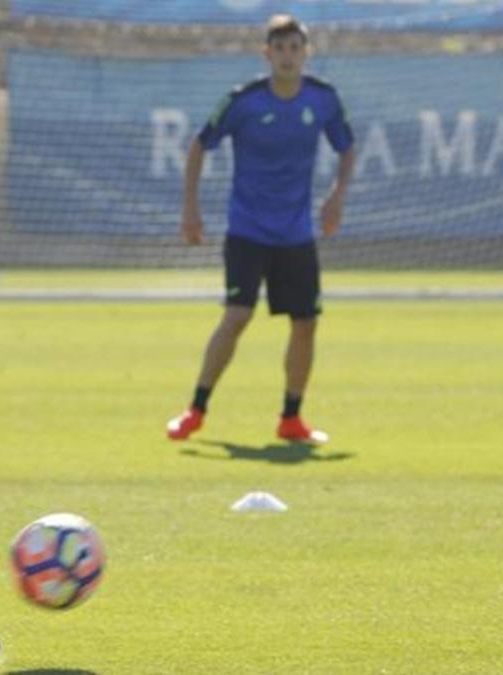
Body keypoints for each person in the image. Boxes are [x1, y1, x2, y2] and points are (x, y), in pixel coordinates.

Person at [166, 15, 356, 444]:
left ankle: (291, 418)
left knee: (306, 322)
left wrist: (336, 197)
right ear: (267, 54)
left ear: (306, 53)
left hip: (296, 233)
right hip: (248, 229)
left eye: (296, 48)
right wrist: (190, 209)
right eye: (280, 48)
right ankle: (195, 409)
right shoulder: (245, 101)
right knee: (237, 316)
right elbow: (200, 144)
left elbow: (347, 148)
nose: (288, 56)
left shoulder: (323, 99)